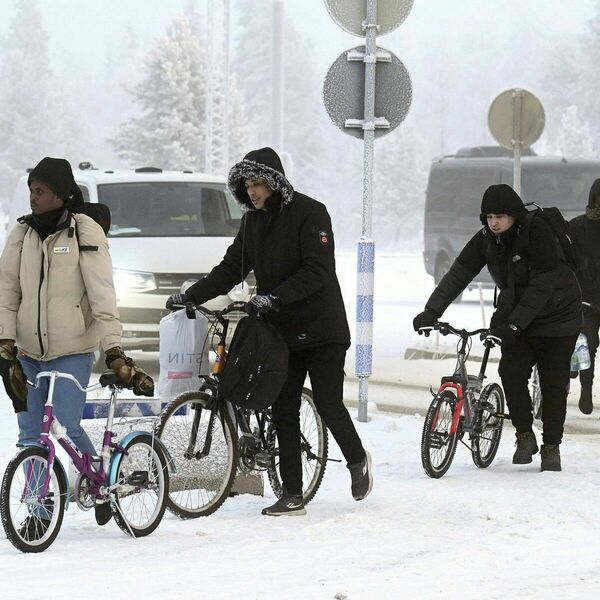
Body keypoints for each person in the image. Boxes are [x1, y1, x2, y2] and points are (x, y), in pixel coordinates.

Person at [166, 147, 372, 515]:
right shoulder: (252, 223)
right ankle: (292, 493)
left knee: (328, 403)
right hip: (281, 332)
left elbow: (317, 270)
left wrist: (275, 297)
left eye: (258, 182)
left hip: (322, 330)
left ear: (275, 182)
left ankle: (357, 460)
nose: (252, 191)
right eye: (247, 184)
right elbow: (232, 268)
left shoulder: (311, 213)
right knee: (284, 408)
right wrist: (191, 296)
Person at [0, 156, 153, 537]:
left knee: (67, 423)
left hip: (73, 348)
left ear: (61, 195)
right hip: (28, 352)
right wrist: (5, 341)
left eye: (41, 191)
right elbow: (7, 291)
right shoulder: (21, 234)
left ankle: (99, 477)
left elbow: (102, 294)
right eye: (31, 190)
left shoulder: (85, 232)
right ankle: (37, 507)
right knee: (29, 433)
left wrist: (113, 350)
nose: (33, 198)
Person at [413, 184, 582, 472]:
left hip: (557, 317)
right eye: (489, 216)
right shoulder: (487, 239)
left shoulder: (537, 231)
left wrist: (514, 324)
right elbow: (460, 272)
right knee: (511, 372)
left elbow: (543, 285)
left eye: (500, 216)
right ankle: (524, 435)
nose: (494, 222)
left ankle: (551, 447)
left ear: (515, 215)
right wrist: (432, 310)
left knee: (553, 384)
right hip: (517, 316)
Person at [569, 178, 600, 414]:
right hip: (585, 299)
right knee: (586, 343)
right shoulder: (577, 227)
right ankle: (586, 387)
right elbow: (564, 262)